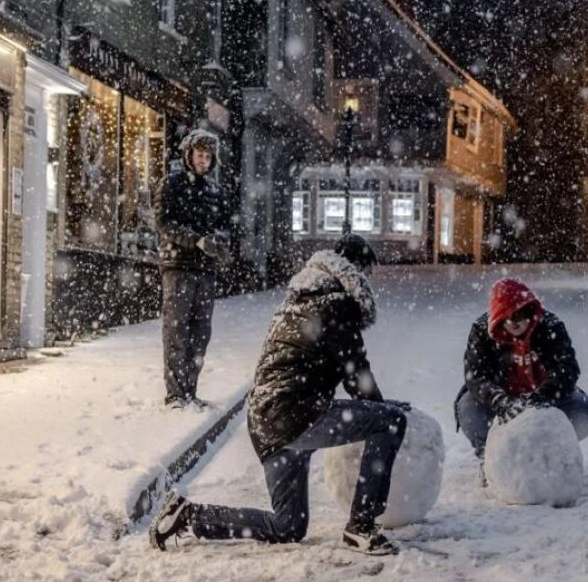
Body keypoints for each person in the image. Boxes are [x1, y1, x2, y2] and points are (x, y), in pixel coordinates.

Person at [150, 234, 409, 556]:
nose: (369, 282)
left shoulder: (297, 301)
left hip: (265, 421)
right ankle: (361, 527)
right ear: (354, 270)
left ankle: (189, 516)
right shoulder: (335, 304)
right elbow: (357, 377)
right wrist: (383, 409)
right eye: (367, 274)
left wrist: (375, 405)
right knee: (391, 422)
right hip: (295, 415)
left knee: (288, 527)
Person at [454, 277, 588, 484]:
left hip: (546, 397)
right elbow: (475, 376)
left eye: (521, 314)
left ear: (531, 310)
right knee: (467, 407)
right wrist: (499, 400)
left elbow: (567, 369)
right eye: (507, 316)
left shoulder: (551, 326)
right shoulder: (482, 331)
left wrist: (544, 395)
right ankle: (490, 458)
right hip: (500, 400)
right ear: (497, 316)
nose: (515, 322)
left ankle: (547, 452)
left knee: (587, 411)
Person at [154, 129, 234, 408]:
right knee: (176, 331)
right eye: (200, 155)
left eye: (208, 156)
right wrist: (196, 241)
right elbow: (164, 223)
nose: (204, 161)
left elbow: (226, 226)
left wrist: (219, 243)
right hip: (178, 266)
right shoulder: (171, 184)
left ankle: (190, 390)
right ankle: (176, 393)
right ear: (189, 155)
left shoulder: (215, 191)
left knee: (201, 333)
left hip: (205, 270)